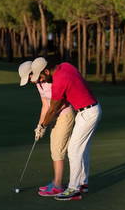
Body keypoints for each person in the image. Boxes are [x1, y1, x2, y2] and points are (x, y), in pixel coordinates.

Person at [30, 57, 102, 201]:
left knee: (74, 150)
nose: (42, 80)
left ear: (46, 70)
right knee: (83, 149)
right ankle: (83, 183)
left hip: (87, 113)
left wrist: (42, 126)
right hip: (91, 108)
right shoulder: (65, 65)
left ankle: (73, 189)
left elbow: (53, 109)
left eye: (42, 76)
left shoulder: (59, 82)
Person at [18, 60, 75, 196]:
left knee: (58, 149)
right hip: (53, 117)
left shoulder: (51, 80)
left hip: (64, 115)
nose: (30, 81)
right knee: (54, 149)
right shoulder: (39, 84)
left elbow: (60, 104)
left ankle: (58, 185)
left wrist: (45, 124)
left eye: (30, 77)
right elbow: (45, 105)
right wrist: (39, 125)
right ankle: (55, 181)